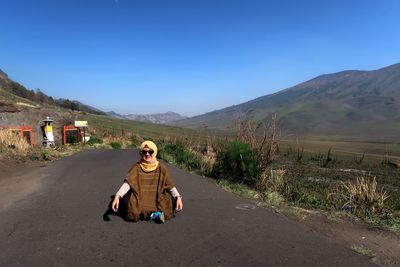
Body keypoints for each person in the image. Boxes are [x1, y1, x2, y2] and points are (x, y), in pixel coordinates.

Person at [111, 140, 183, 222]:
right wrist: (117, 196)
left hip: (157, 200)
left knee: (173, 199)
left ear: (155, 152)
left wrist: (178, 197)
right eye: (144, 152)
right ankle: (152, 214)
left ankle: (149, 214)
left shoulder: (161, 168)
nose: (147, 154)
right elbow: (128, 183)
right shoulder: (136, 167)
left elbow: (170, 185)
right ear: (141, 153)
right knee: (124, 199)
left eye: (150, 152)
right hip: (140, 199)